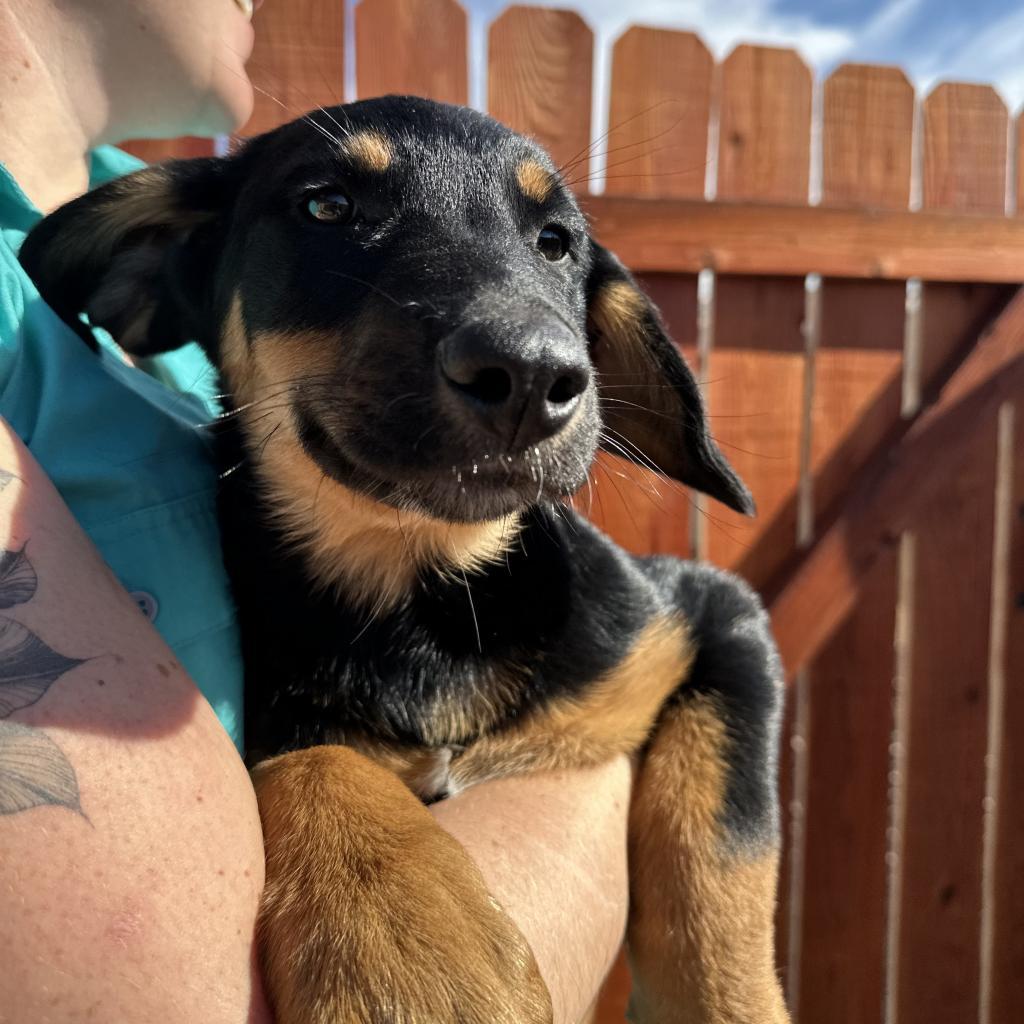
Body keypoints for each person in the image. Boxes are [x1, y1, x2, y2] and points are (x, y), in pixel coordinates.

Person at [0, 2, 631, 1022]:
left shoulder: (164, 251)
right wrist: (594, 774)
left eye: (552, 238)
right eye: (331, 209)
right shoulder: (183, 242)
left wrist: (593, 737)